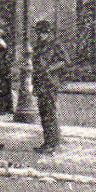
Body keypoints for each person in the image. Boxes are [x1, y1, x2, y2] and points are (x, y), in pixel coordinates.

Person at [32, 19, 68, 154]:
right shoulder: (38, 46)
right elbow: (35, 66)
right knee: (43, 113)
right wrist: (34, 84)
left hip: (50, 83)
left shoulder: (55, 44)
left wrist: (50, 68)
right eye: (39, 32)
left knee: (50, 113)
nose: (41, 35)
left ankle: (52, 143)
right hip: (40, 83)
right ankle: (48, 141)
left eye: (43, 32)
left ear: (48, 32)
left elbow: (64, 60)